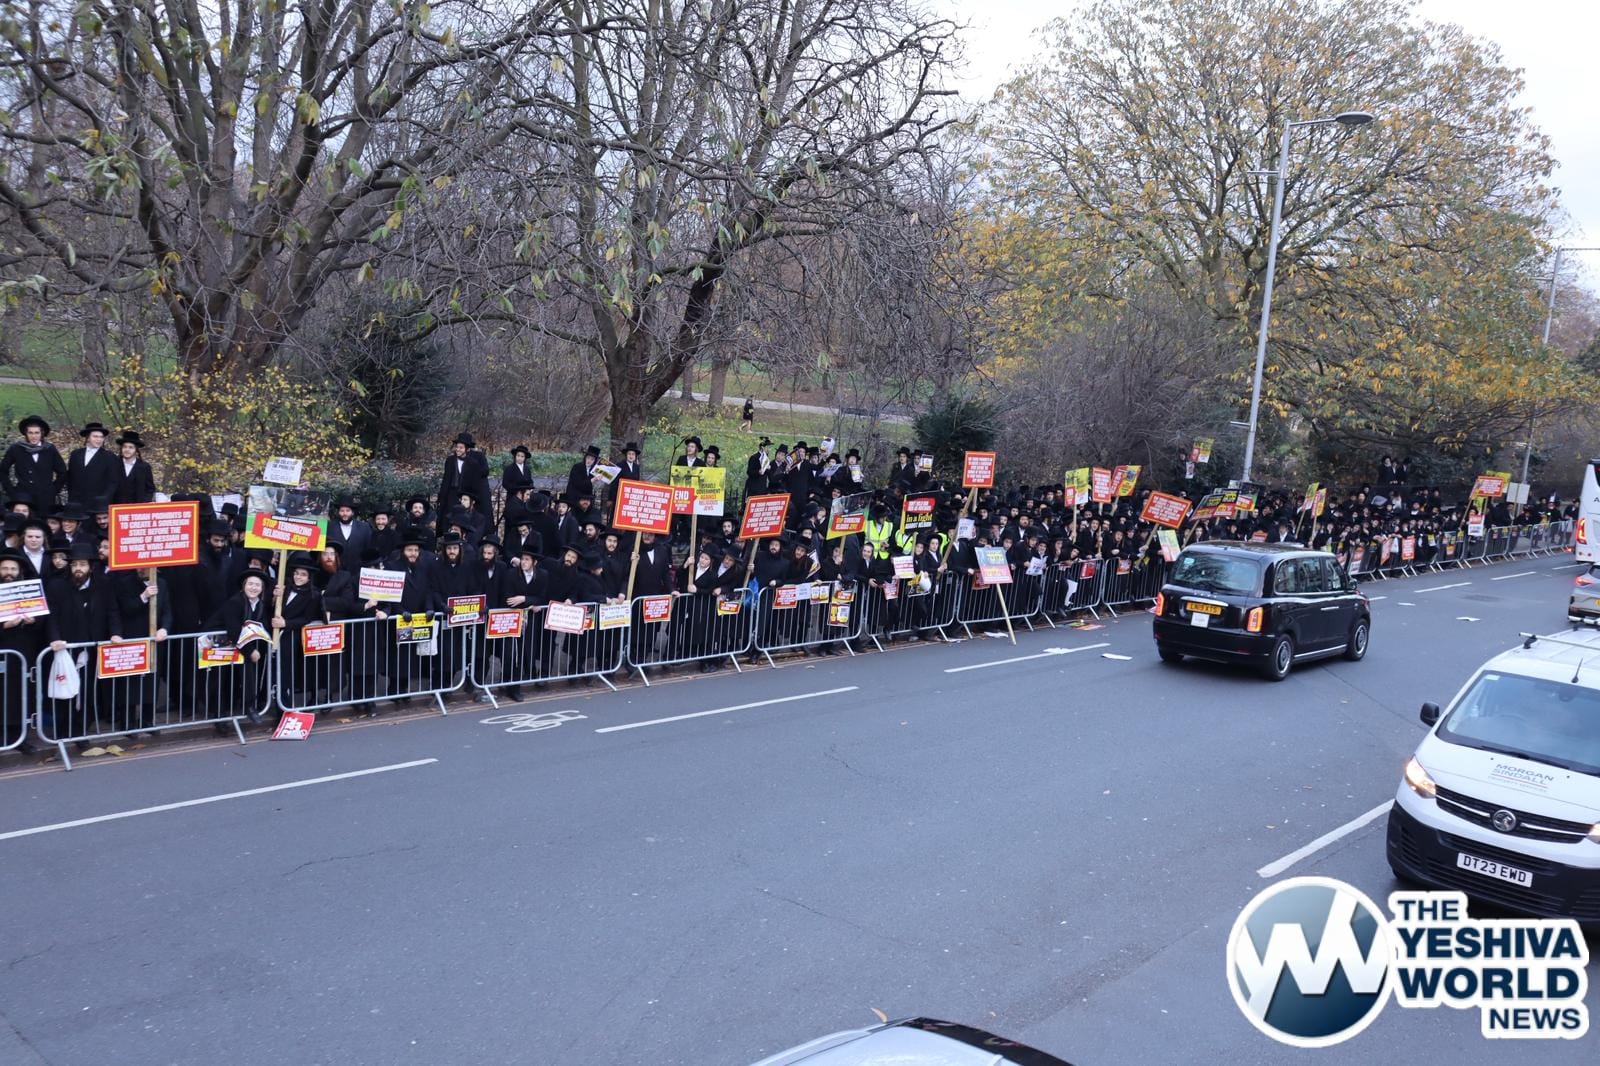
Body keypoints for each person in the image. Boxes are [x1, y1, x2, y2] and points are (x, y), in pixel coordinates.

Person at [0, 548, 47, 752]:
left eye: (13, 569)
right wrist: (5, 626)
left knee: (21, 694)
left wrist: (33, 621)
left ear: (19, 571)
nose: (8, 573)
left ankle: (19, 736)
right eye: (4, 569)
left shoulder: (30, 591)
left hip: (24, 651)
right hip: (3, 649)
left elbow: (43, 620)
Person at [0, 416, 67, 513]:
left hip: (45, 497)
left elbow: (62, 472)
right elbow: (3, 471)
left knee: (43, 520)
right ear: (26, 434)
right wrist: (11, 491)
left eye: (36, 433)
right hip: (23, 497)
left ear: (42, 433)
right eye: (30, 433)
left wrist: (53, 490)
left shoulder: (49, 449)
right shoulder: (17, 449)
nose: (34, 436)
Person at [66, 422, 119, 507]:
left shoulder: (109, 456)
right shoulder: (76, 454)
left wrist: (105, 498)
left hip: (98, 503)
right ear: (87, 437)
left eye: (101, 437)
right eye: (95, 436)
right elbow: (70, 477)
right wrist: (71, 496)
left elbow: (113, 482)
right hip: (76, 502)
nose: (99, 439)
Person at [438, 432, 490, 517]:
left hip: (466, 495)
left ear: (467, 449)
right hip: (452, 494)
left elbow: (477, 480)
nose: (458, 449)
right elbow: (446, 479)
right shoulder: (450, 460)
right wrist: (442, 496)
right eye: (457, 447)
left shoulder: (472, 463)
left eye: (461, 447)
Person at [110, 430, 157, 504]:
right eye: (125, 447)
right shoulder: (113, 465)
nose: (127, 450)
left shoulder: (144, 467)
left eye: (131, 447)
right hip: (116, 507)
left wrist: (146, 502)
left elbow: (150, 489)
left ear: (136, 450)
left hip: (137, 508)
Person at [326, 497, 373, 563]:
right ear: (338, 512)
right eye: (342, 511)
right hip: (335, 567)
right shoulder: (329, 527)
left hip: (357, 567)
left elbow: (369, 549)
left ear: (352, 512)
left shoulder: (364, 527)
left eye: (348, 511)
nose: (345, 513)